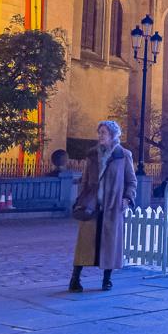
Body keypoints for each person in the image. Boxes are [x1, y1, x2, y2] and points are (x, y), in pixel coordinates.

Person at [69, 120, 137, 292]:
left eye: (104, 133)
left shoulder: (123, 155)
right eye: (99, 132)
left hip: (113, 207)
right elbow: (85, 180)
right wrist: (81, 199)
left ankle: (107, 279)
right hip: (92, 205)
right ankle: (75, 278)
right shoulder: (92, 155)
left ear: (113, 135)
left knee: (110, 244)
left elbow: (131, 181)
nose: (100, 136)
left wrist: (127, 199)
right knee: (84, 244)